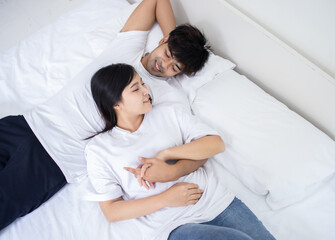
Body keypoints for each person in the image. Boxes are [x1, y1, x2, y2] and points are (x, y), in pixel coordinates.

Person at [0, 0, 210, 230]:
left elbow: (202, 146)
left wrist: (172, 168)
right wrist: (175, 39)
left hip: (53, 158)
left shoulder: (164, 97)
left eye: (176, 67)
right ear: (162, 40)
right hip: (27, 123)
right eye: (168, 53)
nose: (164, 64)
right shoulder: (129, 47)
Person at [85, 63, 275, 240]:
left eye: (143, 83)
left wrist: (167, 157)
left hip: (216, 202)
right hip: (172, 225)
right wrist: (166, 198)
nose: (146, 91)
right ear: (115, 104)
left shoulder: (170, 113)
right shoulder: (99, 150)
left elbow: (215, 144)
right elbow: (112, 211)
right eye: (136, 89)